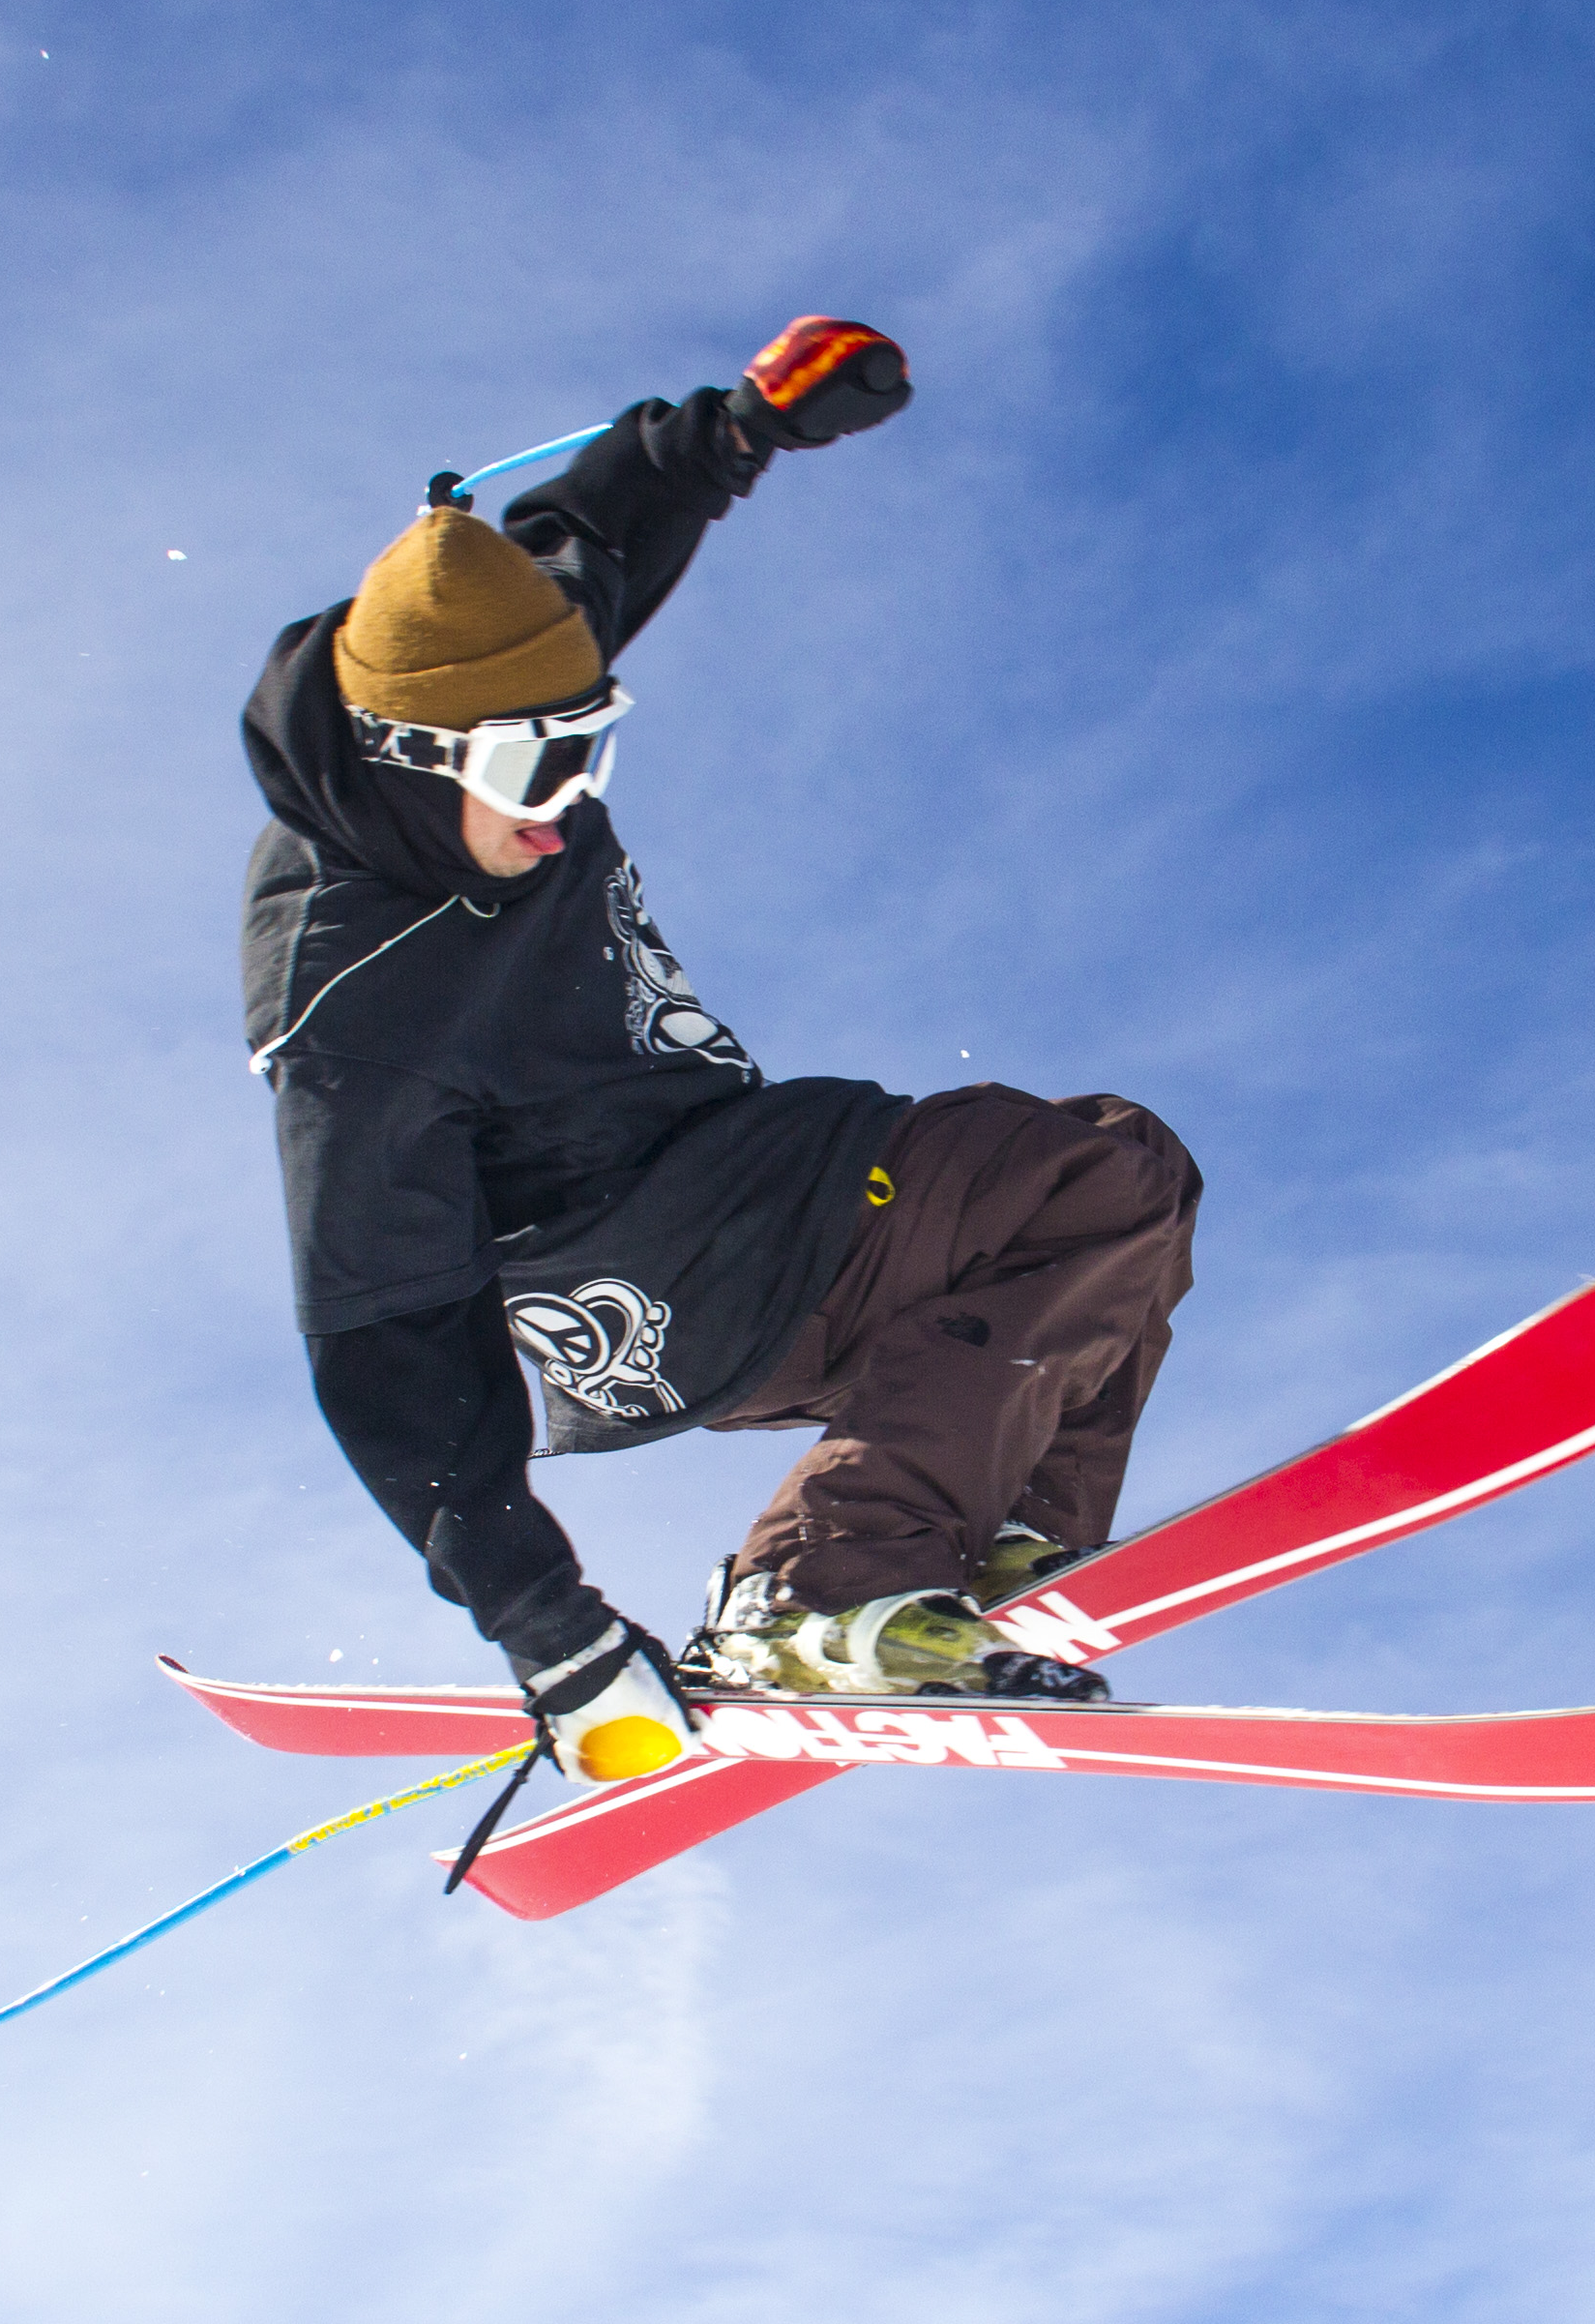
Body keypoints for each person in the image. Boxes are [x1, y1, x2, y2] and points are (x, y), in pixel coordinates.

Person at [239, 317, 1202, 1785]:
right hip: (642, 1278)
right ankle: (829, 1589)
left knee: (1117, 1170)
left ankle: (974, 1543)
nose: (566, 804)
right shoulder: (355, 1017)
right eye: (533, 771)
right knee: (1082, 1190)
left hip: (734, 1188)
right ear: (407, 756)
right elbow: (384, 1350)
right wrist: (545, 1626)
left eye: (592, 746)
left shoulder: (480, 671)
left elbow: (590, 541)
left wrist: (746, 422)